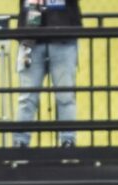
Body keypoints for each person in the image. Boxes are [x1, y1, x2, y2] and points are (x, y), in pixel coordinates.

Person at [13, 0, 82, 148]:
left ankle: (68, 143)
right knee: (27, 97)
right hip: (29, 35)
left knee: (65, 96)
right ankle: (20, 144)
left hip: (63, 34)